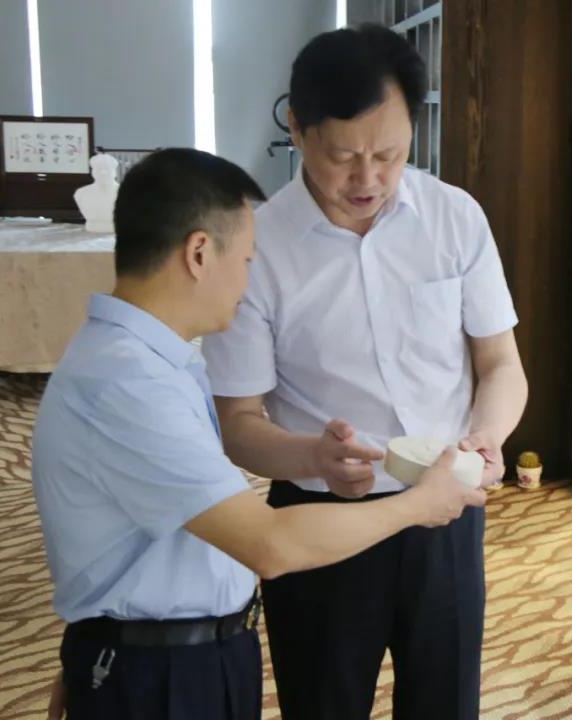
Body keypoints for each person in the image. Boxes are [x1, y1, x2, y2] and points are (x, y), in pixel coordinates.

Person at [32, 148, 486, 720]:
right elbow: (270, 545)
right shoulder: (129, 384)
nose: (248, 281)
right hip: (160, 670)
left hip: (173, 653)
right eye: (247, 259)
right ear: (199, 253)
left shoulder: (148, 360)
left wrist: (313, 455)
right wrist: (419, 505)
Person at [201, 24, 529, 720]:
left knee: (445, 704)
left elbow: (500, 363)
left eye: (389, 154)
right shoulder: (258, 247)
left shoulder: (454, 218)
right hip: (321, 523)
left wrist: (487, 435)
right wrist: (311, 456)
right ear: (298, 129)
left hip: (445, 512)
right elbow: (237, 423)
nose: (368, 180)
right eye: (344, 156)